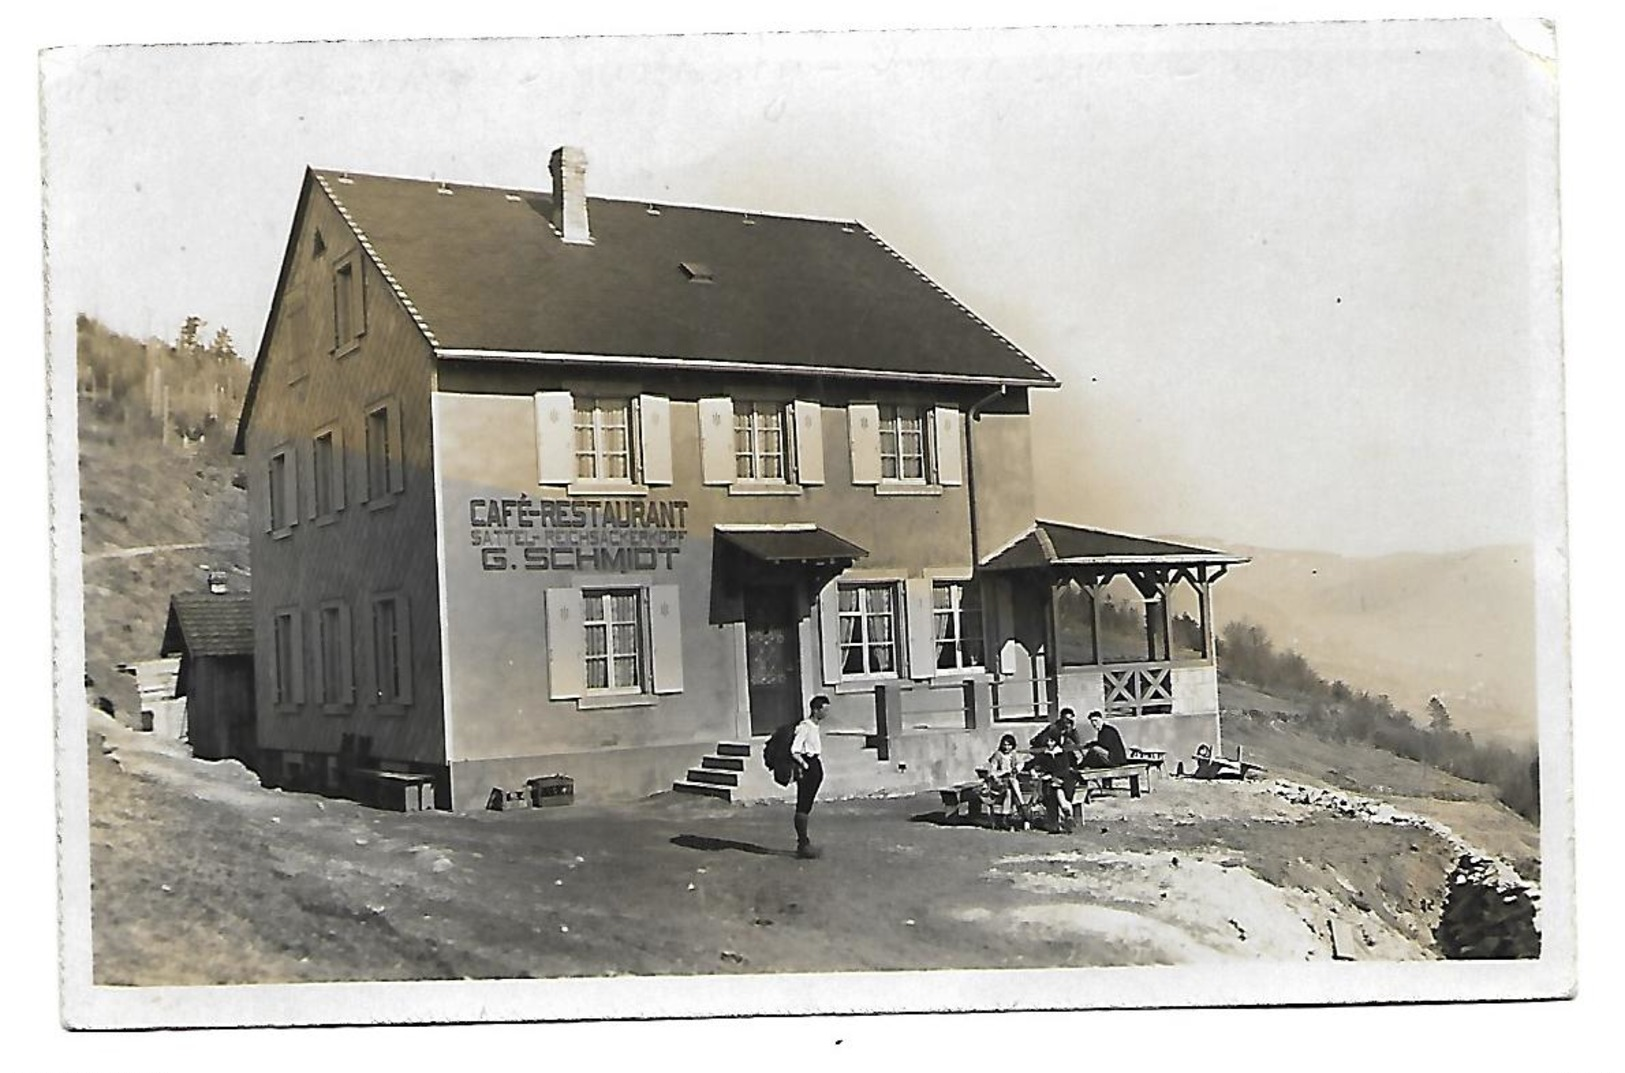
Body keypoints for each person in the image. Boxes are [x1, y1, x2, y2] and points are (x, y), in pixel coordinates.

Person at [1028, 708, 1083, 831]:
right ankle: (1063, 816)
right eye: (1066, 719)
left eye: (1071, 719)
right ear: (1062, 718)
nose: (1068, 721)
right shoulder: (1053, 729)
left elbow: (1077, 745)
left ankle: (1064, 815)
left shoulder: (1069, 733)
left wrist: (1072, 730)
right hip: (1053, 772)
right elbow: (1038, 743)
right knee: (1053, 789)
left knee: (1058, 787)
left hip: (1064, 775)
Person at [790, 695, 831, 859]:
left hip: (814, 765)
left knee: (807, 806)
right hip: (808, 766)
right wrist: (806, 766)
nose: (826, 713)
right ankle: (803, 844)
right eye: (824, 709)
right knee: (803, 805)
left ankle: (804, 843)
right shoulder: (805, 727)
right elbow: (794, 750)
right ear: (816, 710)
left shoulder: (814, 726)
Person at [985, 733, 1027, 830]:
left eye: (1009, 745)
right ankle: (1022, 805)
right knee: (1011, 785)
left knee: (1009, 790)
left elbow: (1021, 763)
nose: (1007, 747)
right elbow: (992, 770)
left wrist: (1016, 769)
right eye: (1005, 744)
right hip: (999, 782)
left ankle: (1005, 817)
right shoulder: (998, 755)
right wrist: (999, 774)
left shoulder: (1013, 754)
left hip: (1010, 783)